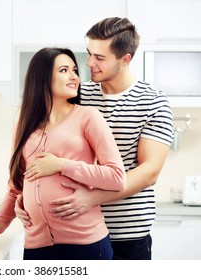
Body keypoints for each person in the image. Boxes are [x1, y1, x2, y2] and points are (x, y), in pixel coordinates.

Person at [14, 17, 174, 260]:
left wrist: (91, 198)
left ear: (125, 59)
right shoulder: (78, 92)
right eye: (89, 54)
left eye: (100, 58)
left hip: (127, 232)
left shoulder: (153, 101)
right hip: (74, 231)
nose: (89, 63)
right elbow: (38, 148)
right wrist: (25, 199)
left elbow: (149, 171)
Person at [0, 47, 126, 260]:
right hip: (36, 246)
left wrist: (62, 165)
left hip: (85, 244)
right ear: (42, 78)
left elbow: (117, 177)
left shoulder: (88, 117)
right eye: (64, 70)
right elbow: (15, 188)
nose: (74, 77)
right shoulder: (24, 126)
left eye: (75, 70)